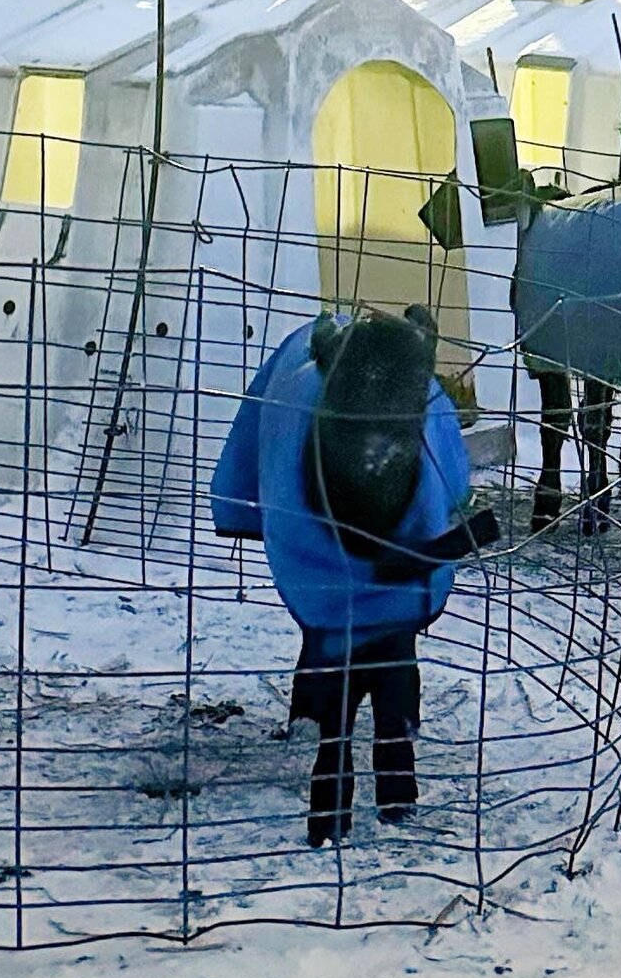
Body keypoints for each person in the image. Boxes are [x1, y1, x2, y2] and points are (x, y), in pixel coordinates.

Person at [211, 304, 497, 844]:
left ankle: (364, 789)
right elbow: (453, 479)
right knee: (376, 642)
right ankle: (368, 783)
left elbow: (446, 468)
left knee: (360, 642)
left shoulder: (421, 398)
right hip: (346, 518)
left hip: (377, 540)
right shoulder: (404, 395)